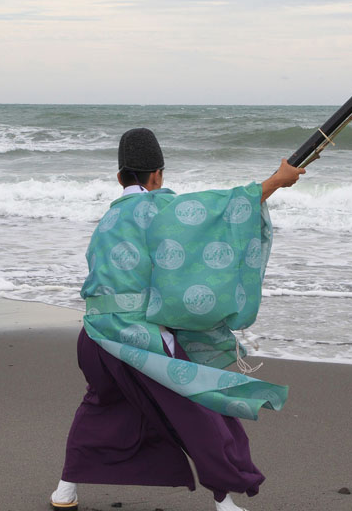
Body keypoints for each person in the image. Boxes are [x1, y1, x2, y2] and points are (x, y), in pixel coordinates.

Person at [50, 128, 305, 511]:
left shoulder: (108, 219)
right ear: (157, 176)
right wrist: (276, 181)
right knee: (198, 410)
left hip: (94, 337)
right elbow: (217, 213)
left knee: (100, 408)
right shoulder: (157, 209)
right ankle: (225, 501)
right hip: (135, 339)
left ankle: (64, 490)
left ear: (120, 177)